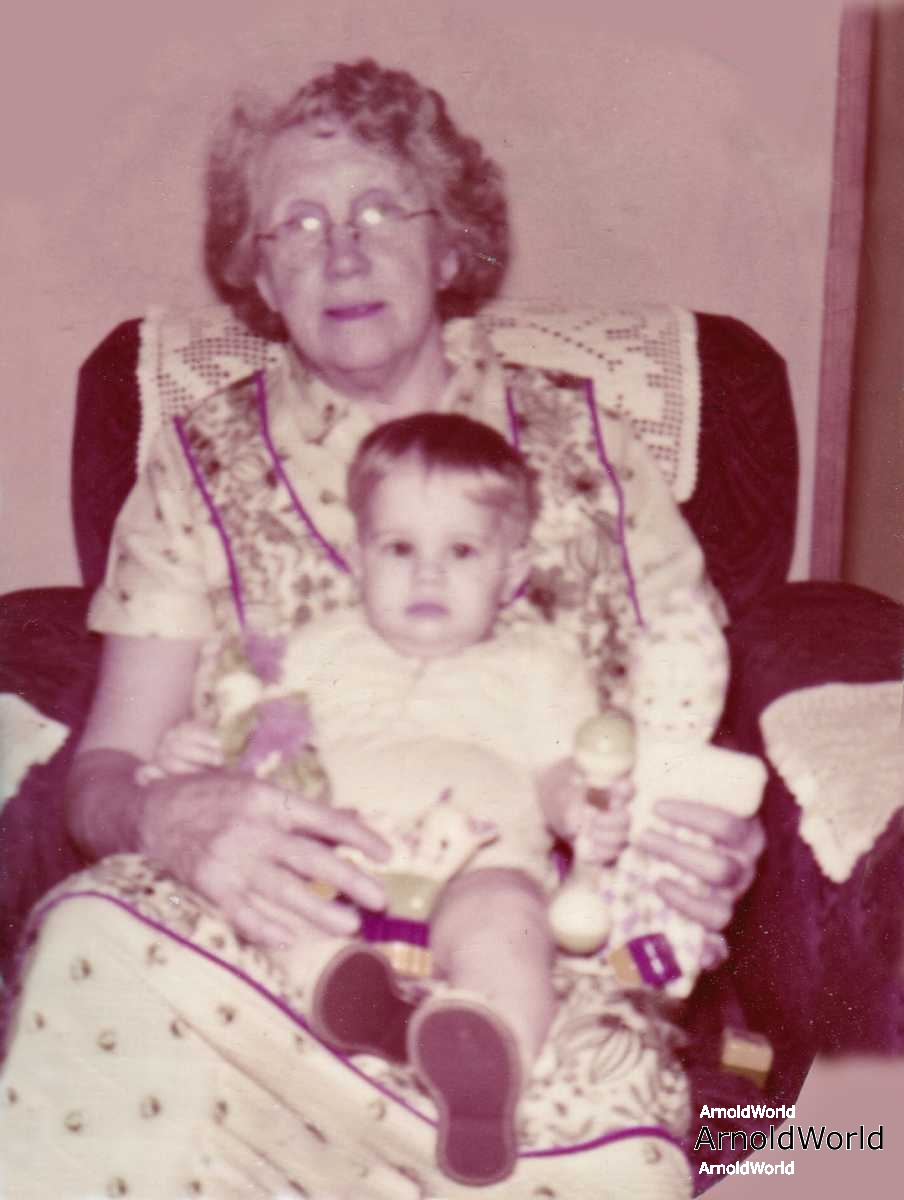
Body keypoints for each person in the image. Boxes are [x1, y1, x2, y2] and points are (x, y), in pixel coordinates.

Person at [1, 59, 764, 1198]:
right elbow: (104, 773)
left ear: (449, 246)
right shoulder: (196, 468)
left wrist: (699, 837)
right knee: (95, 946)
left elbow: (682, 710)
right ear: (261, 276)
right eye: (299, 226)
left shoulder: (595, 453)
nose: (343, 254)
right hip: (266, 920)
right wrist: (165, 814)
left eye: (378, 213)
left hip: (528, 941)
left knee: (609, 1142)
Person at [139, 410, 648, 1186]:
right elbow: (257, 745)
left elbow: (557, 775)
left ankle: (488, 1073)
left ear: (512, 571)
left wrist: (580, 808)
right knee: (275, 917)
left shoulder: (541, 664)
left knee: (510, 930)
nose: (427, 575)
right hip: (335, 866)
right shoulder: (318, 648)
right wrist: (192, 758)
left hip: (479, 864)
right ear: (358, 558)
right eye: (400, 548)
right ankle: (364, 1010)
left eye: (462, 551)